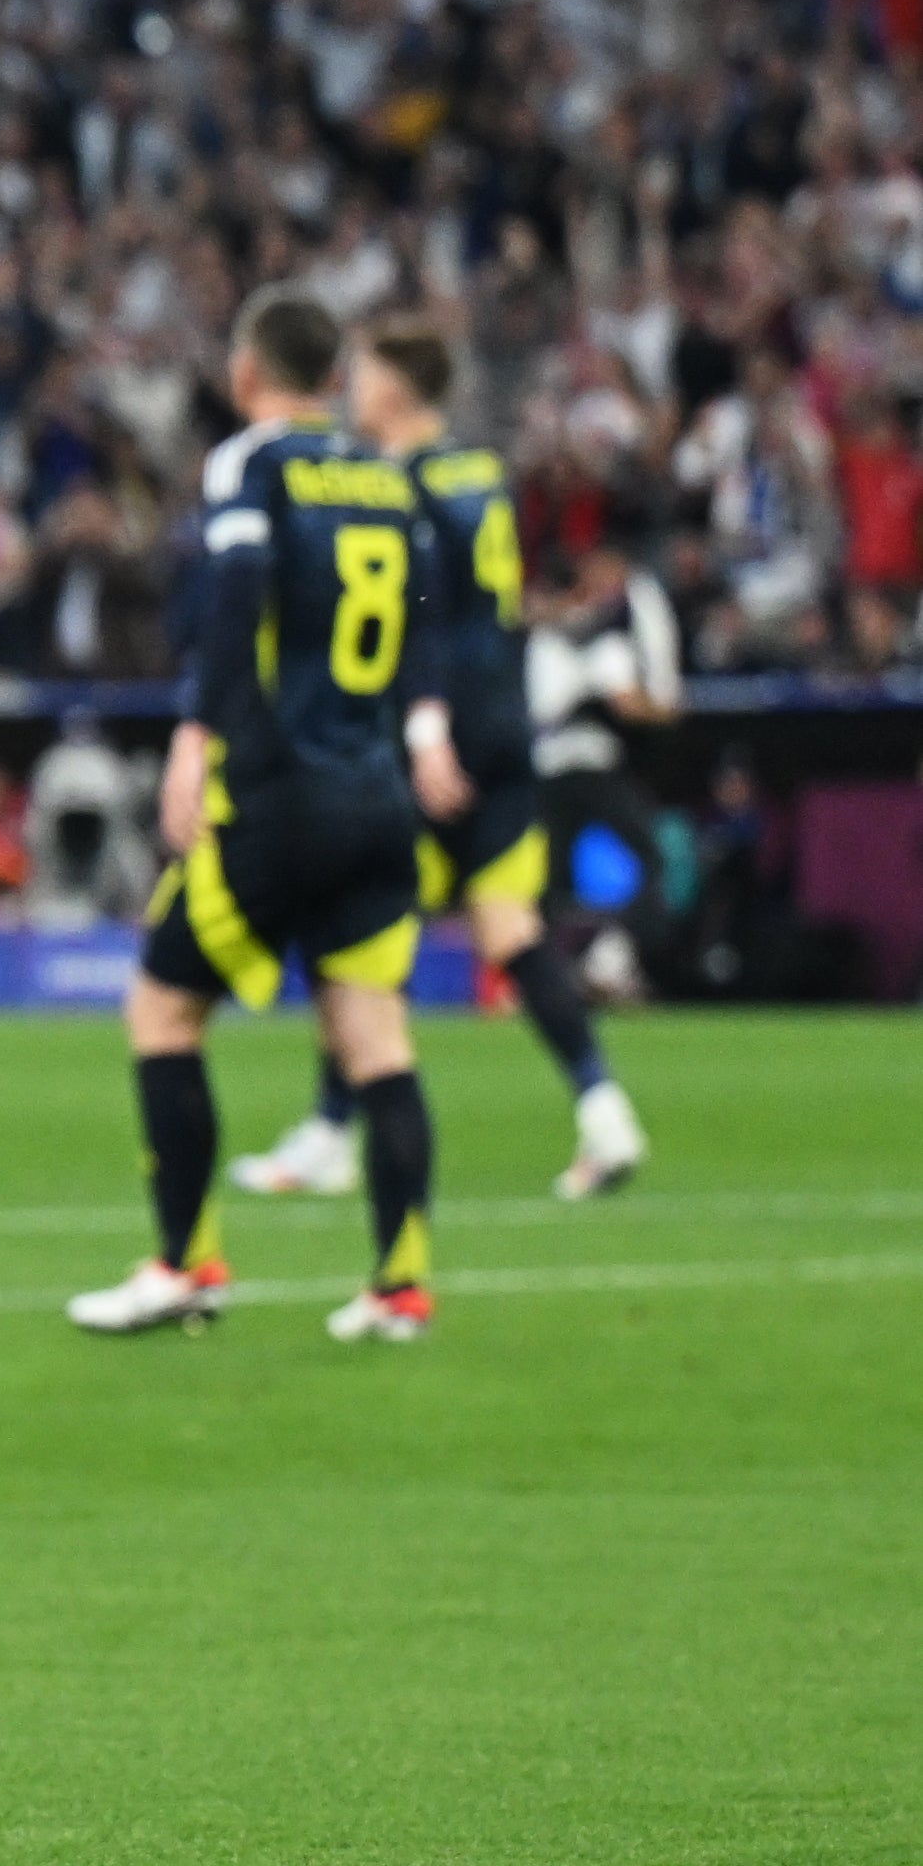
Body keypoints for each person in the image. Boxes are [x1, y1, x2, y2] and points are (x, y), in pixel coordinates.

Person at [71, 287, 455, 1346]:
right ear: (334, 377)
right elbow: (427, 617)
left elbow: (236, 601)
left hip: (281, 793)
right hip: (378, 795)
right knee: (375, 1035)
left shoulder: (250, 463)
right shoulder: (388, 480)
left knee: (160, 1011)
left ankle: (183, 1264)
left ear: (247, 374)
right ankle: (399, 1286)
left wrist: (195, 737)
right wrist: (422, 729)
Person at [231, 323, 647, 1205]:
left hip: (435, 734)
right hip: (503, 721)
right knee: (511, 932)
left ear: (393, 391)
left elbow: (416, 606)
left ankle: (331, 1132)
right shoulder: (480, 472)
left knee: (346, 925)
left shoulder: (398, 485)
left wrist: (417, 728)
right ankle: (602, 1108)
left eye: (367, 376)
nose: (352, 391)